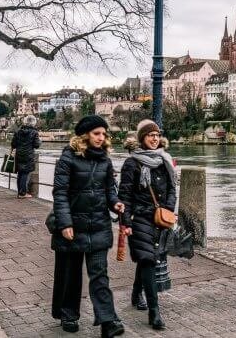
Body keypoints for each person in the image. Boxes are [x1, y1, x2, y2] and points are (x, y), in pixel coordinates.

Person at [50, 115, 126, 337]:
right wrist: (65, 223)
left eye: (104, 134)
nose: (101, 138)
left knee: (99, 274)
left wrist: (116, 203)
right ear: (84, 135)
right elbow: (60, 193)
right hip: (72, 225)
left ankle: (108, 321)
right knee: (70, 274)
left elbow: (110, 189)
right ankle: (68, 314)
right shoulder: (68, 159)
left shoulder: (105, 160)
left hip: (98, 225)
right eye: (96, 133)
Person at [118, 119, 177, 330]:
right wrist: (125, 221)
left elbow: (172, 188)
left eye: (157, 135)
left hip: (159, 218)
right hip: (139, 217)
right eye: (150, 135)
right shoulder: (132, 163)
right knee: (148, 259)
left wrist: (168, 209)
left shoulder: (164, 160)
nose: (154, 138)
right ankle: (155, 311)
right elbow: (124, 195)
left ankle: (136, 293)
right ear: (142, 138)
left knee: (148, 258)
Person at [10, 115, 41, 198]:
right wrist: (39, 141)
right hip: (28, 155)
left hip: (19, 154)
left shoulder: (18, 131)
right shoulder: (34, 133)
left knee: (20, 173)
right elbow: (36, 145)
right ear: (34, 123)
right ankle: (22, 193)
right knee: (25, 173)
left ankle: (19, 191)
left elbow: (13, 144)